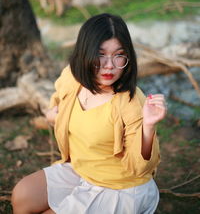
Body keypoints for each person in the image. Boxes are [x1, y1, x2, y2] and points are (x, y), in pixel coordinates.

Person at [12, 13, 167, 214]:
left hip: (120, 186)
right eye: (100, 54)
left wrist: (148, 127)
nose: (109, 65)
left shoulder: (131, 101)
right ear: (85, 52)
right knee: (22, 196)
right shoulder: (72, 77)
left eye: (119, 55)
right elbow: (58, 102)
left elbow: (138, 168)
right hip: (82, 170)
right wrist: (53, 116)